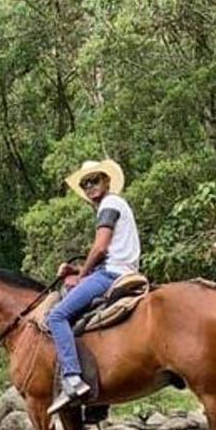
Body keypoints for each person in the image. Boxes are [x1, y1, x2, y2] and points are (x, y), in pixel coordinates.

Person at [45, 159, 142, 415]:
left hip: (111, 274)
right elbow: (110, 252)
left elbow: (100, 248)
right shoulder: (119, 205)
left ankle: (73, 379)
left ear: (107, 181)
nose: (89, 187)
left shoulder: (109, 204)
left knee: (57, 316)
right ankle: (100, 401)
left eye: (94, 180)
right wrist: (75, 271)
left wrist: (82, 275)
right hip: (120, 270)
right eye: (85, 183)